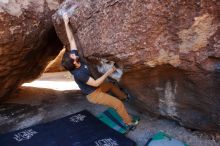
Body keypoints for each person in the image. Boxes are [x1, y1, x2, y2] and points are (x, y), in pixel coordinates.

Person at [61, 13, 139, 129]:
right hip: (94, 95)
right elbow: (96, 83)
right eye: (72, 56)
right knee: (118, 105)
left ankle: (124, 97)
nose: (73, 53)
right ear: (75, 63)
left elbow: (71, 39)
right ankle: (129, 123)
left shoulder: (75, 60)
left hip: (97, 88)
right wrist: (109, 71)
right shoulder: (79, 74)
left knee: (111, 86)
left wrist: (66, 22)